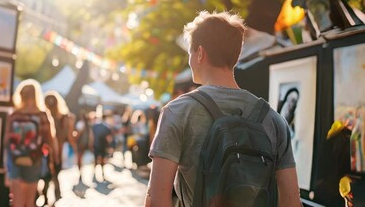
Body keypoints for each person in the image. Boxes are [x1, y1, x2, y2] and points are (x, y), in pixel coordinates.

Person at [145, 11, 302, 207]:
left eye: (190, 53)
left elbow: (156, 199)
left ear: (200, 54)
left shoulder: (178, 111)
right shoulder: (273, 119)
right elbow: (291, 202)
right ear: (235, 57)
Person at [4, 79, 55, 207]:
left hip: (15, 159)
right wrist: (51, 160)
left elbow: (6, 140)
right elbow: (49, 140)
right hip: (34, 159)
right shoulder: (42, 115)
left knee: (17, 201)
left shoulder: (14, 115)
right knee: (30, 200)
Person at [44, 90, 77, 201]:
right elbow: (69, 135)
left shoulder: (45, 116)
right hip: (58, 149)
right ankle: (55, 194)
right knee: (55, 172)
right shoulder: (64, 117)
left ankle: (45, 194)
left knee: (47, 173)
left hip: (47, 149)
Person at [92, 111, 113, 181]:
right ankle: (102, 173)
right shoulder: (106, 127)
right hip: (103, 146)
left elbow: (91, 136)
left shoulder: (95, 126)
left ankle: (94, 173)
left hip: (95, 144)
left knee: (95, 159)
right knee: (102, 160)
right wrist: (110, 146)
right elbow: (109, 138)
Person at [74, 109, 94, 180]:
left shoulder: (80, 124)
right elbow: (91, 136)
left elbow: (78, 135)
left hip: (80, 144)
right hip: (86, 144)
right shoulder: (88, 124)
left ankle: (80, 172)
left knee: (79, 159)